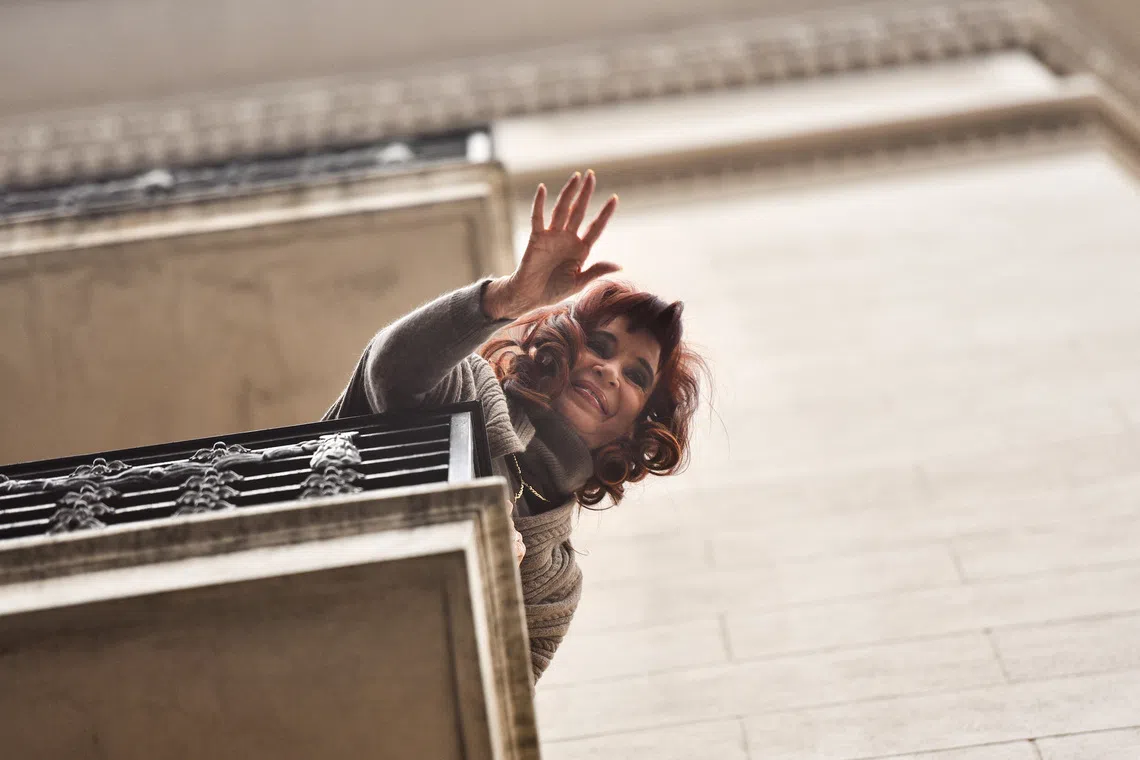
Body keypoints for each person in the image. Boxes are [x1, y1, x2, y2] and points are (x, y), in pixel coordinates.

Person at [324, 170, 705, 685]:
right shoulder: (472, 390)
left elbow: (494, 701)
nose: (609, 371)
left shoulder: (556, 585)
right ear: (564, 349)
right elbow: (390, 370)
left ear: (636, 428)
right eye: (602, 346)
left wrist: (494, 578)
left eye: (636, 376)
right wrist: (507, 299)